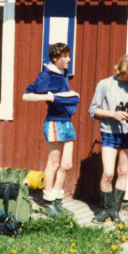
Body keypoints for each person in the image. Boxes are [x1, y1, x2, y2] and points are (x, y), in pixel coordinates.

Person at [23, 42, 80, 216]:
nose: (69, 59)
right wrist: (48, 97)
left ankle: (56, 199)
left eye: (69, 56)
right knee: (54, 163)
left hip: (67, 122)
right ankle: (48, 202)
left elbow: (61, 92)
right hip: (54, 122)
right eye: (65, 56)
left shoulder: (63, 73)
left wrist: (71, 94)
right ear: (55, 58)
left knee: (67, 164)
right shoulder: (46, 74)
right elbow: (26, 96)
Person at [88, 53, 128, 223]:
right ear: (123, 67)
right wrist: (112, 114)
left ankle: (115, 211)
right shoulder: (105, 84)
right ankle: (104, 210)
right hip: (109, 133)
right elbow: (93, 110)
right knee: (108, 173)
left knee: (123, 172)